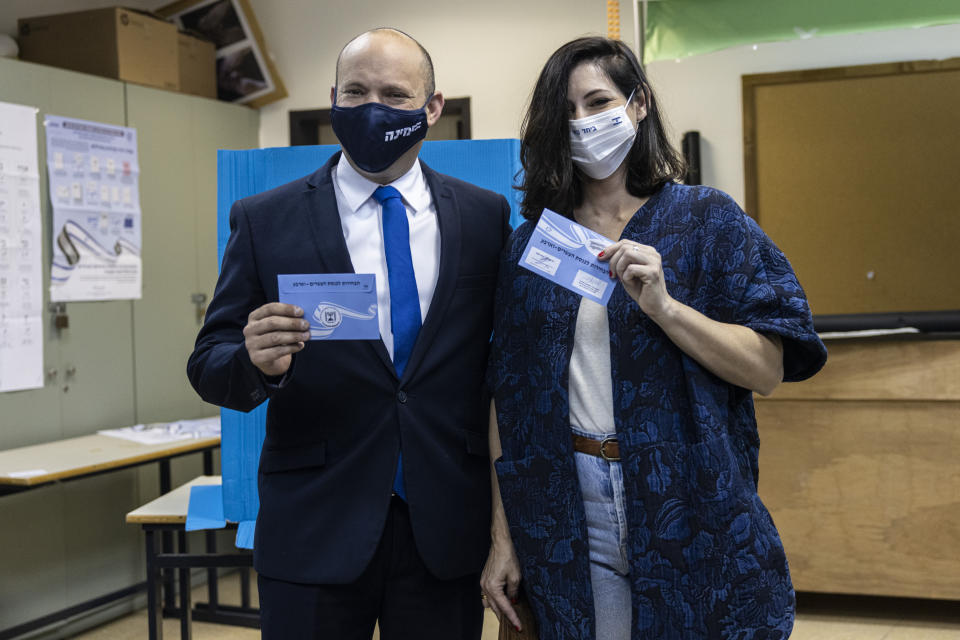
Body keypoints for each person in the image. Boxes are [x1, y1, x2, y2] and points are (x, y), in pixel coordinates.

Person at [480, 37, 827, 639]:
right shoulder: (534, 245)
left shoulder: (707, 222)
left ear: (637, 104)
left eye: (598, 102)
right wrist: (502, 535)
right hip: (567, 504)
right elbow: (507, 399)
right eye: (566, 112)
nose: (583, 123)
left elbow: (768, 369)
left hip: (689, 498)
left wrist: (666, 309)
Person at [188, 28, 511, 640]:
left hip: (443, 528)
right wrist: (254, 361)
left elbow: (502, 369)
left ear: (432, 108)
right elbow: (209, 364)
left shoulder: (484, 216)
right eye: (357, 91)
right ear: (333, 97)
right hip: (314, 528)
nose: (373, 109)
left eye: (395, 95)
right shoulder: (266, 220)